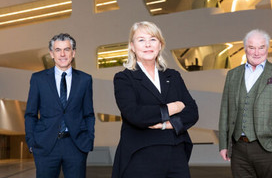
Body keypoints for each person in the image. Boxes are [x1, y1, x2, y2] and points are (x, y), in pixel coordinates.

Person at [112, 21, 198, 178]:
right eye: (141, 40)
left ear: (160, 45)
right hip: (141, 154)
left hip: (176, 154)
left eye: (153, 39)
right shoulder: (124, 78)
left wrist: (166, 124)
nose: (147, 45)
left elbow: (192, 112)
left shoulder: (173, 76)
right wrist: (174, 107)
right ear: (132, 46)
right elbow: (135, 114)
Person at [218, 29, 272, 178]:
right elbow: (225, 111)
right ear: (245, 49)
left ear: (267, 49)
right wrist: (223, 144)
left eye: (261, 47)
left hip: (269, 148)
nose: (256, 52)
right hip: (239, 149)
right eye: (252, 47)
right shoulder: (232, 75)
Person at [25, 33, 95, 178]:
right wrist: (32, 142)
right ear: (52, 54)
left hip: (75, 145)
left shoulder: (85, 80)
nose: (62, 54)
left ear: (73, 52)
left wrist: (88, 140)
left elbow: (88, 114)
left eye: (67, 49)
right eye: (58, 50)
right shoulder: (38, 79)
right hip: (45, 145)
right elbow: (31, 114)